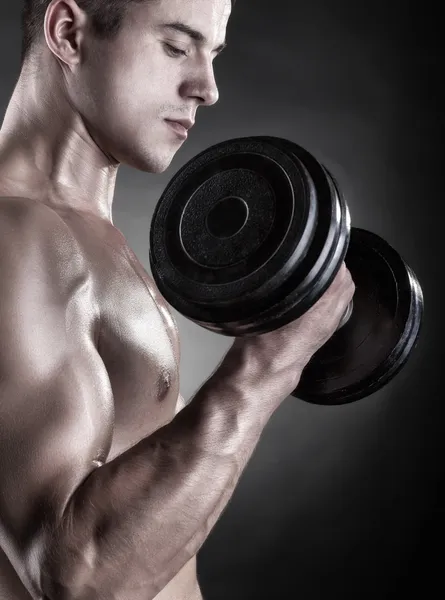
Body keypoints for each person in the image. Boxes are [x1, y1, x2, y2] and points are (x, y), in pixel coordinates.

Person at [0, 0, 355, 598]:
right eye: (175, 46)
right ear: (67, 32)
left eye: (213, 54)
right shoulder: (18, 238)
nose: (208, 88)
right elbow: (80, 578)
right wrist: (267, 363)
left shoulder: (82, 236)